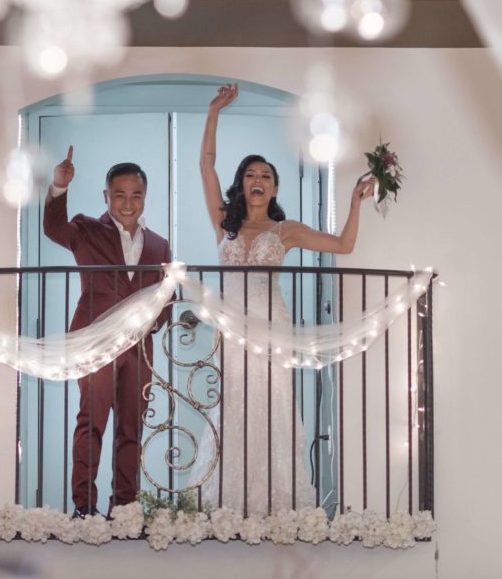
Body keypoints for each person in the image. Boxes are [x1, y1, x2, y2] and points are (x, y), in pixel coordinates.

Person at [190, 83, 376, 514]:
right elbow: (205, 165)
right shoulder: (225, 223)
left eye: (266, 177)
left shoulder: (285, 230)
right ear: (242, 185)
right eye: (251, 175)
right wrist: (215, 110)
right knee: (234, 405)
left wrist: (354, 201)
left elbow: (343, 246)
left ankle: (277, 501)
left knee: (272, 406)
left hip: (273, 328)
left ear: (274, 189)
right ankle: (228, 500)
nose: (258, 181)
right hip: (233, 331)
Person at [43, 146, 171, 518]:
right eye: (120, 195)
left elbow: (166, 296)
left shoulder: (160, 244)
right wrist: (58, 187)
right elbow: (53, 228)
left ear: (144, 197)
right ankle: (84, 507)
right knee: (91, 424)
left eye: (136, 195)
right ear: (106, 196)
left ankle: (125, 508)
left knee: (130, 430)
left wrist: (154, 321)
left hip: (138, 350)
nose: (128, 203)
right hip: (94, 344)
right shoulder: (86, 229)